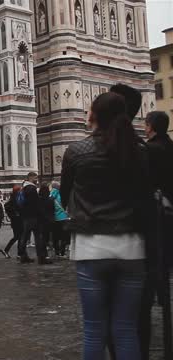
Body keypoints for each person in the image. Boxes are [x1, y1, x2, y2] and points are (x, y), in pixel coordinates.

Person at [61, 91, 149, 359]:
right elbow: (145, 196)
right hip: (132, 249)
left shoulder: (76, 151)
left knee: (94, 330)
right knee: (125, 329)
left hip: (92, 248)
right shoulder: (139, 151)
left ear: (95, 115)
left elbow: (65, 196)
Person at [140, 110, 173, 359]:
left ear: (150, 126)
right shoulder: (170, 147)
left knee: (152, 273)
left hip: (152, 221)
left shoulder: (148, 150)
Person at [18, 172, 40, 264]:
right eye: (35, 177)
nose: (36, 179)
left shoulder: (24, 187)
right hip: (32, 216)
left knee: (25, 235)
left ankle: (23, 255)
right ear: (31, 178)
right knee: (38, 236)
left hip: (26, 215)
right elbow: (34, 203)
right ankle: (41, 256)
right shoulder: (31, 188)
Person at [50, 181, 69, 258]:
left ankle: (57, 252)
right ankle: (62, 253)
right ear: (58, 187)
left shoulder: (50, 195)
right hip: (63, 217)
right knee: (64, 236)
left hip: (54, 218)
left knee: (55, 237)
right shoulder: (60, 195)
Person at [3, 185, 23, 259]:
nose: (21, 191)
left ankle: (19, 253)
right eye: (19, 190)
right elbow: (7, 206)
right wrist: (14, 214)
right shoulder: (14, 198)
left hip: (18, 220)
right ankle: (7, 250)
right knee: (17, 236)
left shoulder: (16, 198)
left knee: (19, 237)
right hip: (16, 221)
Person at [37, 183, 54, 265]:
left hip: (40, 221)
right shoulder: (50, 199)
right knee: (46, 239)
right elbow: (52, 211)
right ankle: (45, 256)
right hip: (48, 221)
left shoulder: (38, 199)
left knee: (41, 239)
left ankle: (41, 256)